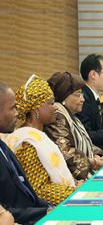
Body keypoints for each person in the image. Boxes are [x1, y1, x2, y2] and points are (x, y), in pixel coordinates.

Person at [7, 75, 77, 206]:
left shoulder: (38, 135)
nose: (55, 107)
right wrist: (73, 192)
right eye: (50, 103)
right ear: (36, 109)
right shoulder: (27, 142)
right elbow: (38, 189)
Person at [0, 82, 49, 225]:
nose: (17, 113)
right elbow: (5, 210)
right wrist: (43, 212)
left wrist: (48, 208)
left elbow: (26, 192)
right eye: (13, 108)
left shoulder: (2, 145)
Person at [46, 72, 103, 180]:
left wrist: (97, 155)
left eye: (82, 94)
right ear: (63, 96)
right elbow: (65, 152)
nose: (82, 99)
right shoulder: (57, 115)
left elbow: (85, 142)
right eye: (77, 94)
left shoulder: (72, 116)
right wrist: (92, 162)